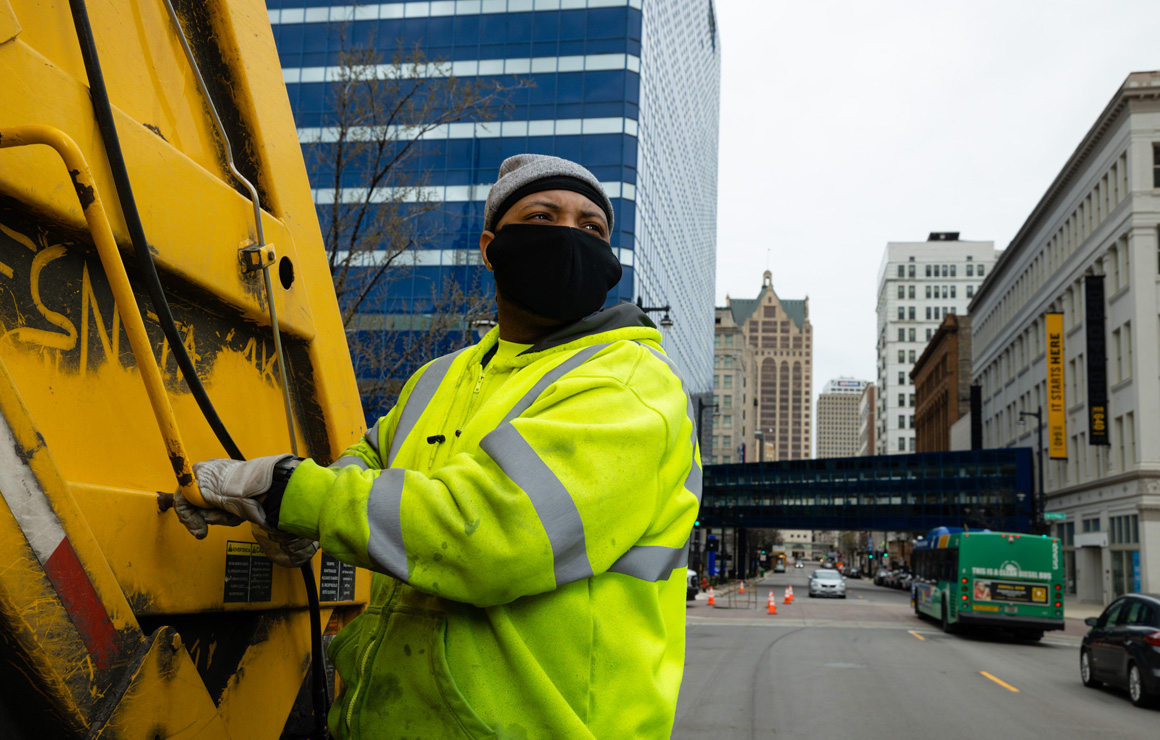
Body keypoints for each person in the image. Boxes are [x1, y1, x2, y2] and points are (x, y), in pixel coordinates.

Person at [177, 154, 701, 739]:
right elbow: (367, 457)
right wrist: (305, 515)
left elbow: (492, 535)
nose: (569, 237)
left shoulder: (631, 383)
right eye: (543, 216)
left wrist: (287, 492)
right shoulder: (441, 376)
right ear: (490, 246)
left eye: (591, 228)